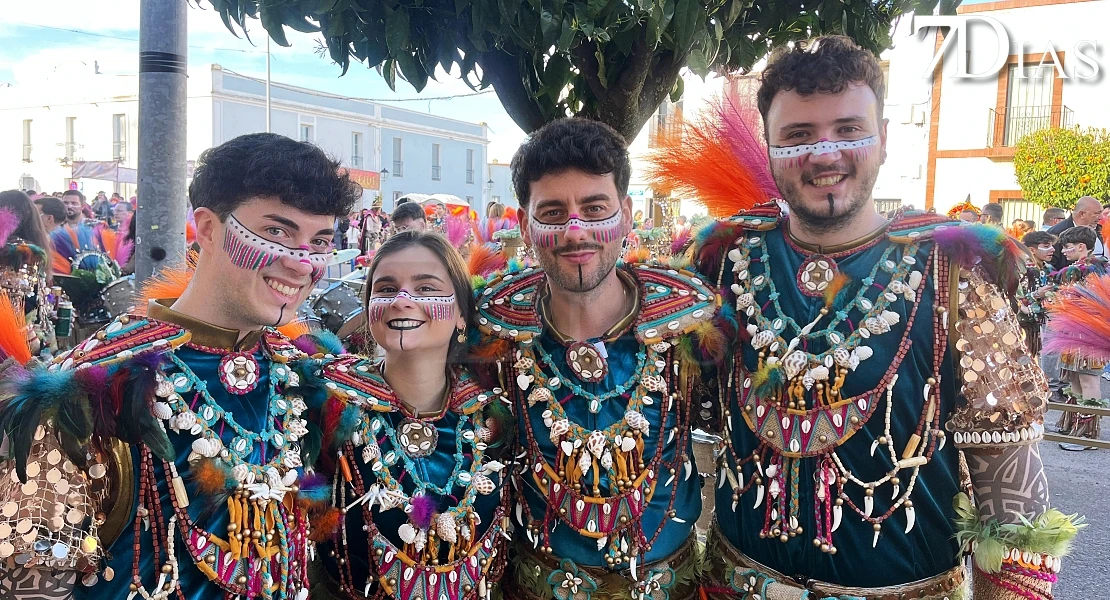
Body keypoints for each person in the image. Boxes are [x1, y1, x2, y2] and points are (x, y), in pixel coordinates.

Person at [693, 36, 1072, 600]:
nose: (825, 154)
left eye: (848, 129)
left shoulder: (955, 275)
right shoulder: (723, 261)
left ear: (886, 139)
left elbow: (1013, 514)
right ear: (769, 149)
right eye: (798, 136)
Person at [0, 132, 362, 599]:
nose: (302, 263)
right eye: (276, 232)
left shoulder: (306, 379)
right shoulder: (91, 386)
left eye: (320, 242)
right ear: (209, 229)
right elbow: (31, 583)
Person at [479, 117, 722, 598]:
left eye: (595, 209)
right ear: (525, 225)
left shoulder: (691, 326)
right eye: (552, 213)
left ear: (626, 216)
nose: (575, 232)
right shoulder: (492, 338)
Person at [313, 231, 512, 599]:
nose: (402, 300)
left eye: (426, 287)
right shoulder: (328, 403)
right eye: (386, 289)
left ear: (461, 315)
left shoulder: (494, 415)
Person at [1048, 225, 1109, 450]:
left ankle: (1087, 434)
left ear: (1082, 246)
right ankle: (1072, 425)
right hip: (1073, 332)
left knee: (1088, 379)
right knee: (1073, 378)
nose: (1063, 251)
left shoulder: (1097, 269)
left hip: (1089, 333)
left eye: (1067, 247)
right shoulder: (1078, 268)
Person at [0, 189, 58, 353]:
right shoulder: (34, 249)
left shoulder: (18, 252)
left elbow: (15, 303)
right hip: (30, 338)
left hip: (14, 340)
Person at [1017, 231, 1057, 357]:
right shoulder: (1021, 270)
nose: (1052, 249)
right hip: (1026, 326)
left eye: (1051, 245)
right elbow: (1014, 298)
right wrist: (1036, 295)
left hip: (1045, 325)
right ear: (1031, 250)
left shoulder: (1049, 269)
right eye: (1046, 246)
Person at [50, 189, 106, 271]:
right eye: (65, 203)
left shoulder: (96, 227)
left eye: (74, 203)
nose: (69, 206)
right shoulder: (55, 228)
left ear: (82, 206)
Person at [1047, 196, 1104, 269]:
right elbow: (1050, 268)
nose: (1101, 217)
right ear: (1082, 214)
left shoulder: (1099, 229)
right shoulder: (1055, 234)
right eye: (1097, 213)